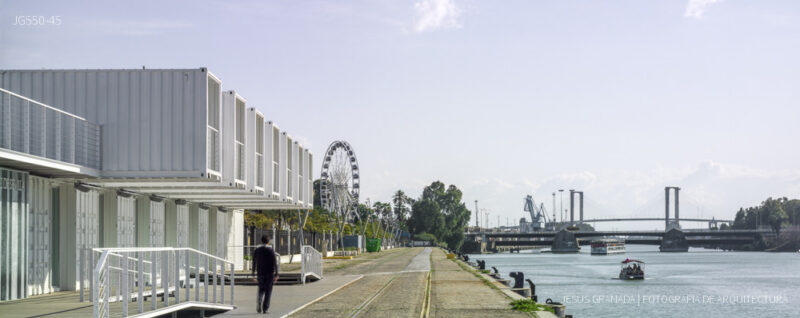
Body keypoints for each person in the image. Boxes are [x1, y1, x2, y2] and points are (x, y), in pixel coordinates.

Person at [252, 235, 279, 314]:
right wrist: (277, 274)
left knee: (261, 289)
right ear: (268, 242)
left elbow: (254, 262)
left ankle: (260, 299)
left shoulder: (257, 250)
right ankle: (265, 309)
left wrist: (253, 274)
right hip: (270, 273)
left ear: (261, 241)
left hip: (260, 273)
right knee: (268, 291)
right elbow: (275, 262)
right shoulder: (271, 250)